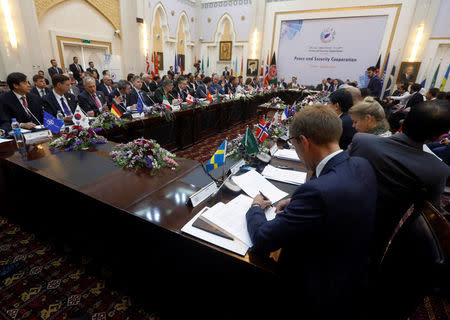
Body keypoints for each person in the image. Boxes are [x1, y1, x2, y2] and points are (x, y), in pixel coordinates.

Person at [246, 104, 377, 320]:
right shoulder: (362, 164)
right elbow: (337, 197)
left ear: (304, 142)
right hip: (353, 265)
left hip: (316, 287)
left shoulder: (317, 192)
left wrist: (255, 208)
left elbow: (263, 239)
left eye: (294, 145)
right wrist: (296, 201)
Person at [348, 99, 450, 265]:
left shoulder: (362, 141)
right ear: (437, 137)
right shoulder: (438, 171)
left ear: (405, 119)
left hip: (341, 223)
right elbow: (429, 215)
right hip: (383, 246)